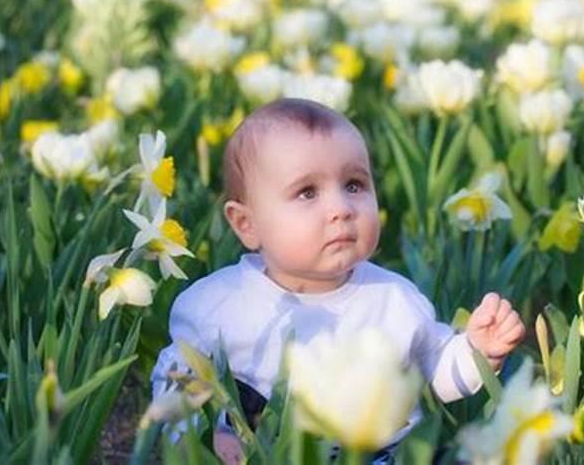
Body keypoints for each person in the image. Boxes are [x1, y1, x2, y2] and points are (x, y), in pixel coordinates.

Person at [151, 98, 526, 464]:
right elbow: (177, 379)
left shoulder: (393, 299)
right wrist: (193, 437)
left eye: (354, 185)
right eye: (307, 192)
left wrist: (478, 351)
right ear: (247, 224)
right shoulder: (220, 305)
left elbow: (434, 373)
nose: (341, 209)